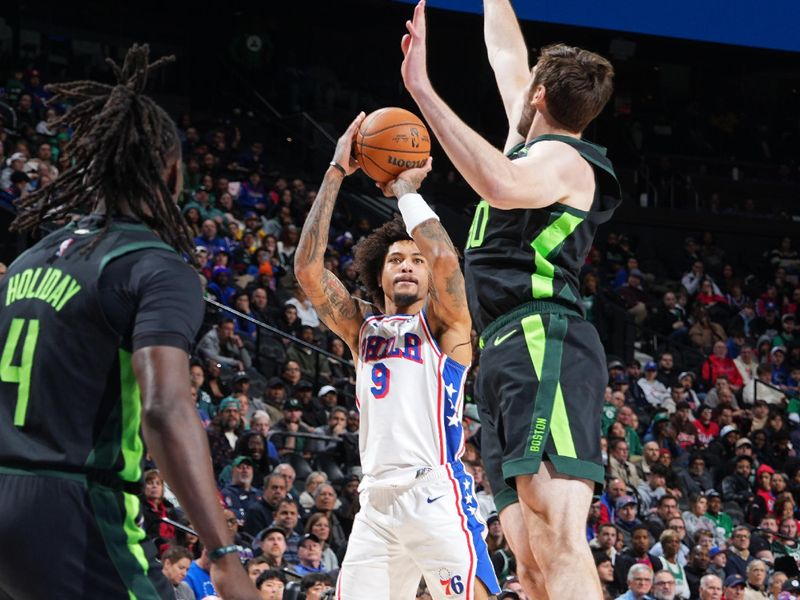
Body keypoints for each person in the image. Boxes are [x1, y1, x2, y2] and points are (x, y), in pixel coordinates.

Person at [0, 45, 256, 599]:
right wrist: (223, 552)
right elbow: (164, 408)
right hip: (75, 506)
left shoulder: (27, 261)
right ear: (170, 172)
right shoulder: (156, 267)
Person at [398, 1, 620, 597]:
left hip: (543, 339)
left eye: (529, 88)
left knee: (557, 538)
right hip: (503, 349)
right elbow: (506, 54)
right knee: (528, 558)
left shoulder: (564, 160)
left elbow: (498, 182)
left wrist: (420, 88)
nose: (518, 89)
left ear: (540, 96)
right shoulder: (533, 140)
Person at [293, 114, 499, 599]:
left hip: (434, 494)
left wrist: (406, 192)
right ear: (378, 276)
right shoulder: (360, 327)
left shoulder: (448, 326)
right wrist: (336, 170)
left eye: (415, 260)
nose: (407, 265)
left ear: (428, 279)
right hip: (376, 506)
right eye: (395, 260)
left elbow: (447, 259)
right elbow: (307, 269)